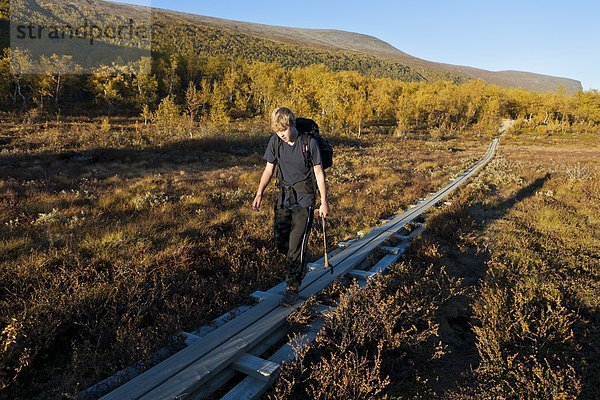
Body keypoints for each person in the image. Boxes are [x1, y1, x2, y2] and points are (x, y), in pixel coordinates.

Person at [252, 107, 329, 306]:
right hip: (284, 197)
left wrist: (324, 202)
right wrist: (260, 192)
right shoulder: (276, 142)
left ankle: (292, 287)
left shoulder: (308, 143)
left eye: (284, 131)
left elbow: (319, 175)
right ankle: (301, 262)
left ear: (292, 124)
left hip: (304, 199)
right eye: (278, 132)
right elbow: (269, 169)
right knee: (281, 242)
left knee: (296, 244)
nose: (282, 135)